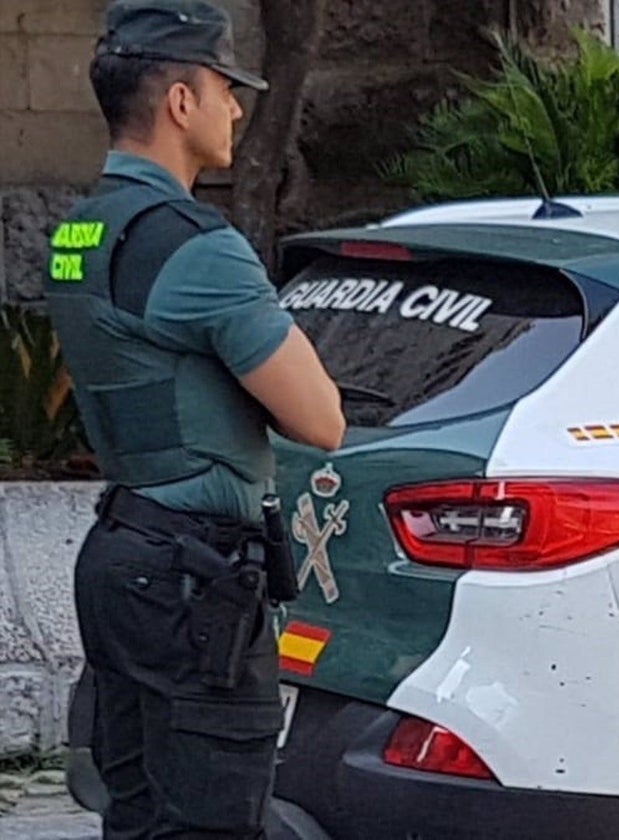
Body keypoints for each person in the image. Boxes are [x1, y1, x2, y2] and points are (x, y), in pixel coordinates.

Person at [43, 1, 345, 836]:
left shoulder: (79, 232)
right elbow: (323, 420)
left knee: (136, 818)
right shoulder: (196, 247)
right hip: (192, 580)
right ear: (182, 102)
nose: (238, 108)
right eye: (226, 87)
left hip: (122, 554)